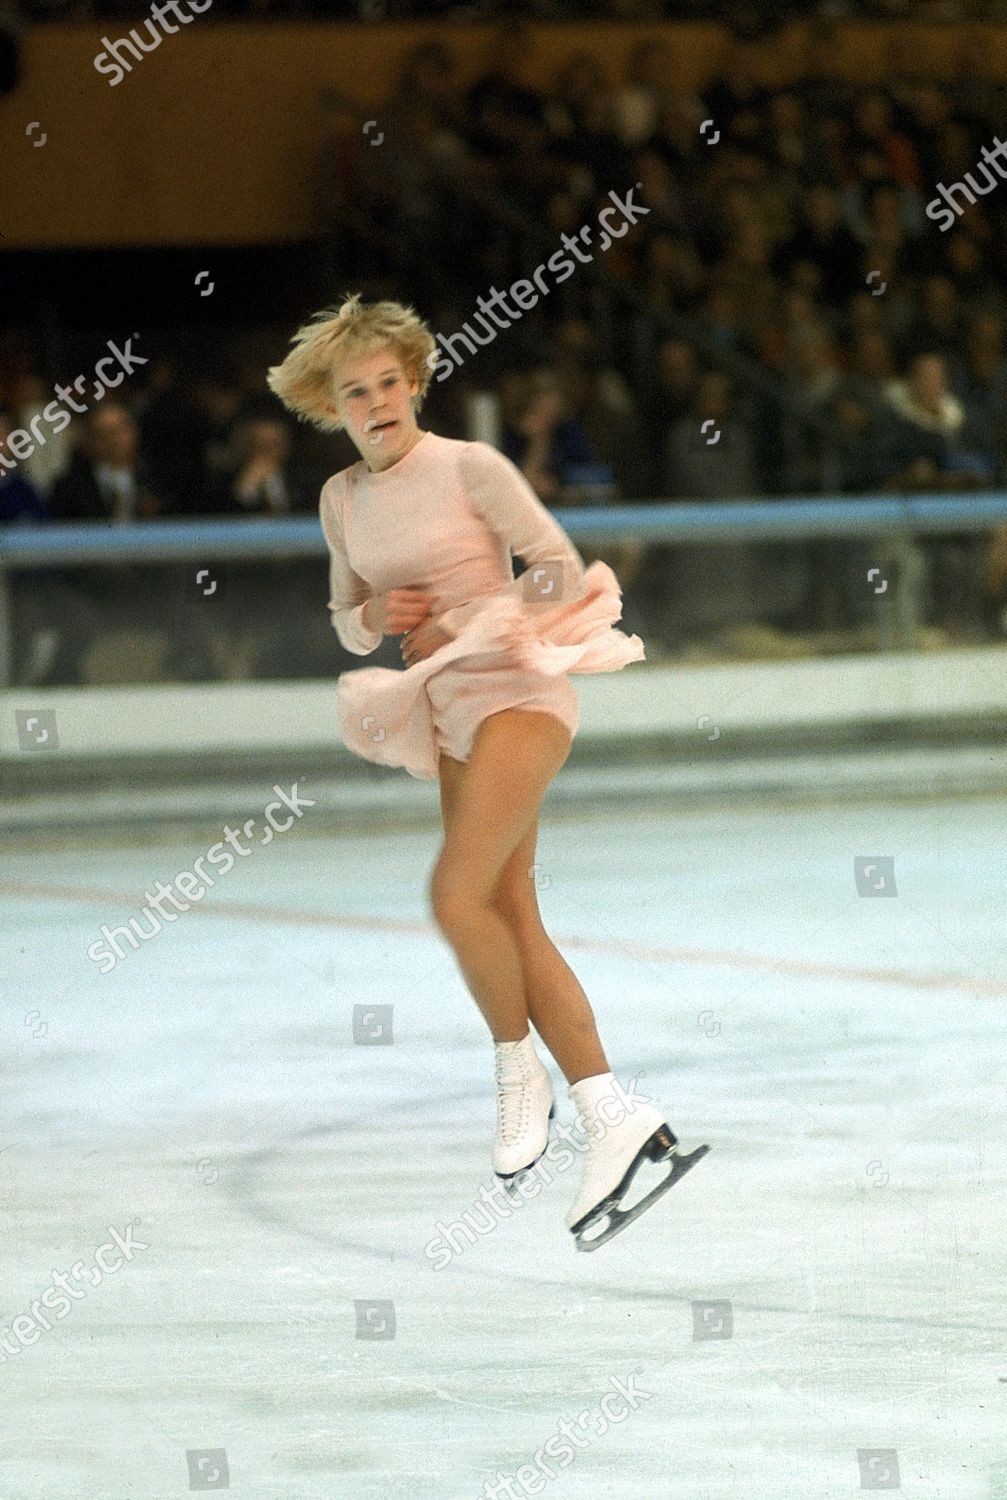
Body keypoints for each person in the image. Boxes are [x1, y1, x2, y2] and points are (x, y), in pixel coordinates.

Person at [267, 294, 708, 1249]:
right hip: (451, 711)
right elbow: (347, 614)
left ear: (415, 384)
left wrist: (460, 619)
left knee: (454, 894)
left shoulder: (469, 467)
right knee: (510, 916)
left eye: (390, 382)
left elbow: (556, 567)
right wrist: (374, 624)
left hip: (521, 689)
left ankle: (519, 1072)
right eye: (357, 391)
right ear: (332, 404)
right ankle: (612, 1115)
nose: (377, 400)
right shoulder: (340, 499)